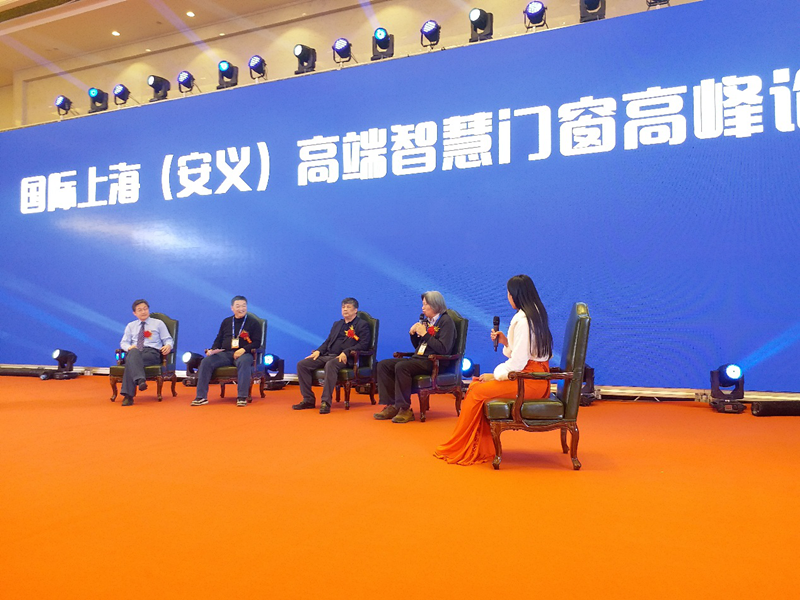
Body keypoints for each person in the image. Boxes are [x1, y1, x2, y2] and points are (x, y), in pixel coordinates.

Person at [434, 275, 553, 466]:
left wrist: (496, 375)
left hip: (529, 381)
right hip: (534, 378)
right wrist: (506, 342)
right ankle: (479, 447)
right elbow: (528, 353)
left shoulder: (524, 321)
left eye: (509, 293)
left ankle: (465, 447)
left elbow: (518, 364)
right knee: (476, 386)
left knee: (476, 391)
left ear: (516, 295)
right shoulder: (535, 315)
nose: (508, 297)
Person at [373, 291, 456, 424]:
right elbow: (419, 347)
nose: (423, 307)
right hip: (419, 359)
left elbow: (443, 349)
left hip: (434, 362)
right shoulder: (427, 322)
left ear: (435, 305)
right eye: (422, 304)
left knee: (402, 366)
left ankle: (405, 409)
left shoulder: (446, 322)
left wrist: (425, 334)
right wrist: (413, 334)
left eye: (426, 304)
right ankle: (392, 405)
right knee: (383, 365)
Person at [293, 298, 371, 414]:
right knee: (302, 364)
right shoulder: (337, 324)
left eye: (348, 307)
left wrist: (347, 352)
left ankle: (326, 402)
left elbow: (364, 344)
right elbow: (328, 341)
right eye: (343, 307)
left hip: (346, 358)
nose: (345, 309)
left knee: (331, 364)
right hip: (329, 354)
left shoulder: (362, 325)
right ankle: (308, 399)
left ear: (355, 310)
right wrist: (318, 351)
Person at [190, 295, 262, 408]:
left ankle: (242, 397)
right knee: (206, 361)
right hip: (225, 353)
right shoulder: (227, 321)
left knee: (244, 362)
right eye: (238, 306)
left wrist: (243, 349)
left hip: (244, 354)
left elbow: (257, 343)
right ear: (232, 308)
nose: (241, 308)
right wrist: (213, 350)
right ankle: (201, 397)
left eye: (244, 306)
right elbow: (219, 339)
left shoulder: (254, 323)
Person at [118, 299, 173, 406]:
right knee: (133, 353)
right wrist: (129, 347)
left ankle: (128, 396)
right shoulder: (131, 326)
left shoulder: (158, 323)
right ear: (134, 313)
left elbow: (168, 339)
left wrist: (168, 346)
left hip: (151, 353)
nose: (143, 312)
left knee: (130, 361)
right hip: (135, 351)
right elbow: (123, 343)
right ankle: (140, 380)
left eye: (145, 309)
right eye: (140, 310)